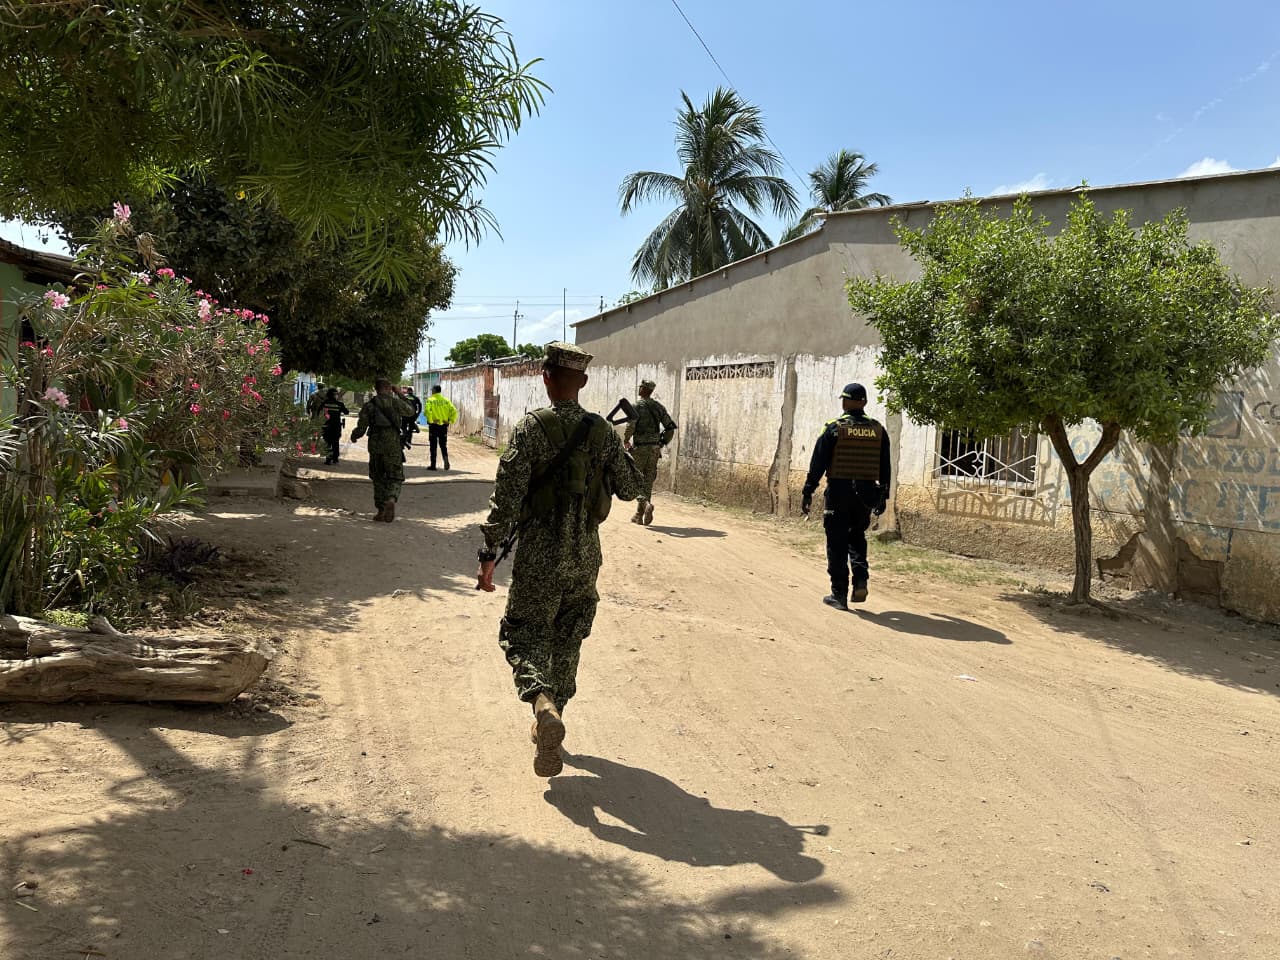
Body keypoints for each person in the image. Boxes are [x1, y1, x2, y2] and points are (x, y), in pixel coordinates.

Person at [475, 342, 643, 777]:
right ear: (582, 382)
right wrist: (617, 449)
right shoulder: (601, 433)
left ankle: (542, 705)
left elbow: (506, 500)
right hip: (585, 558)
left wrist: (489, 554)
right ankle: (553, 717)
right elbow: (629, 489)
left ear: (545, 377)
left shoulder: (531, 429)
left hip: (538, 560)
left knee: (524, 633)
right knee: (568, 639)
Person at [800, 382, 891, 610]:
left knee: (836, 541)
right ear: (865, 402)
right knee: (857, 536)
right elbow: (885, 466)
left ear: (846, 401)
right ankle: (860, 579)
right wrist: (883, 496)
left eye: (844, 399)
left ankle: (839, 593)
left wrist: (808, 489)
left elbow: (818, 462)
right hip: (865, 493)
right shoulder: (878, 429)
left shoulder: (834, 427)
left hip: (839, 491)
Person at [350, 379, 415, 522]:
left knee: (378, 478)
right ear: (389, 388)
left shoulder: (369, 406)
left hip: (375, 446)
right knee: (395, 476)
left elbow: (361, 428)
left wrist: (354, 436)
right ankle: (391, 498)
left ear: (376, 388)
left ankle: (381, 510)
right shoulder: (395, 402)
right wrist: (400, 394)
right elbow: (411, 411)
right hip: (393, 445)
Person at [623, 378, 677, 525]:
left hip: (640, 448)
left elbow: (630, 426)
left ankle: (646, 504)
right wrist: (662, 442)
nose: (639, 388)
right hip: (654, 449)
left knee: (636, 479)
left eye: (640, 387)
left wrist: (626, 440)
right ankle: (639, 514)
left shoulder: (636, 406)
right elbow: (670, 427)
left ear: (643, 389)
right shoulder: (658, 407)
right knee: (648, 479)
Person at [424, 384, 458, 471]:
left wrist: (431, 420)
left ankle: (433, 465)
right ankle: (445, 459)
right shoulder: (446, 401)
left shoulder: (430, 400)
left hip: (434, 426)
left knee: (433, 445)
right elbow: (454, 410)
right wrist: (450, 421)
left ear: (434, 390)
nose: (431, 391)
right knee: (443, 445)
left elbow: (427, 411)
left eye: (432, 389)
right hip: (443, 425)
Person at [319, 388, 349, 465]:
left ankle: (328, 459)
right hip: (336, 426)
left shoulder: (324, 403)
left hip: (326, 426)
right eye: (336, 394)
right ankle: (335, 458)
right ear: (334, 395)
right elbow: (346, 412)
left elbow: (319, 411)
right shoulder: (339, 404)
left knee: (327, 442)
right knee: (335, 442)